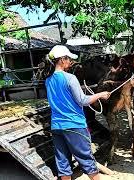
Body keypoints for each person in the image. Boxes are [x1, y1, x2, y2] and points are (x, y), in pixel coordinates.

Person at [45, 45, 111, 180]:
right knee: (87, 160)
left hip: (57, 126)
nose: (70, 62)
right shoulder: (70, 78)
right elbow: (82, 100)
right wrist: (100, 95)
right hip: (74, 124)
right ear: (62, 59)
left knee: (63, 163)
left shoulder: (48, 81)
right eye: (68, 59)